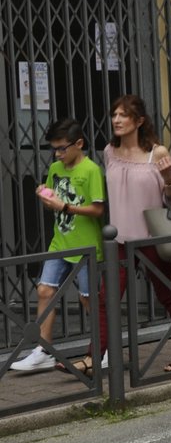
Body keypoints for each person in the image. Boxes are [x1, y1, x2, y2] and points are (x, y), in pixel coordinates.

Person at [95, 95, 171, 374]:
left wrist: (166, 179)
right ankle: (95, 357)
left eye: (123, 115)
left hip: (151, 239)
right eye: (114, 114)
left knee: (170, 297)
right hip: (119, 240)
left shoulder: (157, 153)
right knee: (107, 299)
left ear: (139, 121)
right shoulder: (108, 152)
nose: (116, 120)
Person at [9, 118, 106, 374]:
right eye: (54, 148)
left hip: (86, 247)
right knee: (44, 291)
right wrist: (44, 193)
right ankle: (43, 350)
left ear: (79, 144)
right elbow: (54, 194)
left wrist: (64, 206)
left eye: (63, 148)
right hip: (60, 242)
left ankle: (102, 350)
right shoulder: (55, 168)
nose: (58, 153)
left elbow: (97, 209)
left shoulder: (91, 170)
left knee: (88, 299)